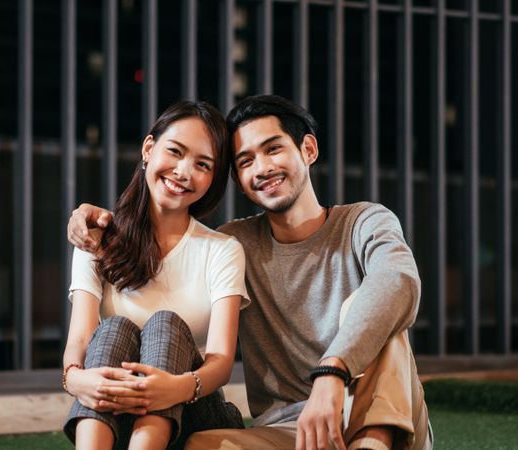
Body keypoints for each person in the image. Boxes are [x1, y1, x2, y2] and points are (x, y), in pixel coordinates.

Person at [67, 95, 433, 450]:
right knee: (202, 444)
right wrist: (94, 219)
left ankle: (371, 445)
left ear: (308, 150)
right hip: (287, 433)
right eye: (245, 161)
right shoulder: (234, 243)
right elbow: (169, 239)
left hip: (376, 417)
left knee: (370, 306)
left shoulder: (364, 221)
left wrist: (332, 373)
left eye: (273, 149)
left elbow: (397, 283)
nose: (261, 168)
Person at [62, 100, 250, 450]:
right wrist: (76, 379)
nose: (183, 171)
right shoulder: (96, 238)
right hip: (115, 413)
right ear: (149, 149)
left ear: (212, 178)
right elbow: (82, 339)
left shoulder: (222, 249)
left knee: (165, 323)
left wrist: (174, 388)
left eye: (202, 165)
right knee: (114, 328)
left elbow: (222, 362)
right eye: (175, 152)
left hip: (194, 415)